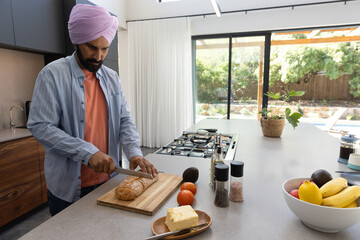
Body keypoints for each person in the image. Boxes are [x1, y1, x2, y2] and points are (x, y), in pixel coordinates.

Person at [27, 4, 158, 216]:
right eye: (92, 47)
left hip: (109, 180)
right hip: (68, 190)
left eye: (104, 48)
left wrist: (133, 152)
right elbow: (41, 126)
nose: (98, 56)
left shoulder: (112, 78)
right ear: (77, 41)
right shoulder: (51, 75)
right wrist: (88, 152)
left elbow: (124, 119)